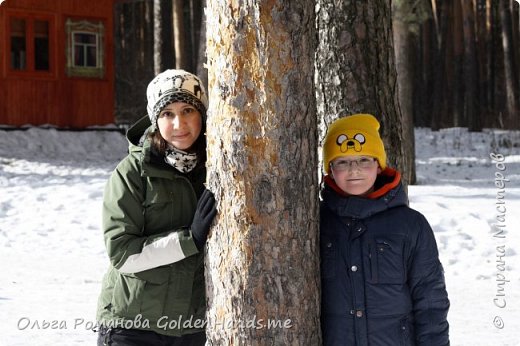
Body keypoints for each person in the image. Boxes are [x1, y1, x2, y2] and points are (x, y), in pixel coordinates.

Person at [96, 69, 217, 346]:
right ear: (155, 119)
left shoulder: (216, 168)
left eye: (188, 110)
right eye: (167, 114)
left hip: (190, 327)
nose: (179, 123)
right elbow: (122, 254)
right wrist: (190, 239)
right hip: (132, 324)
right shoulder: (133, 172)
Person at [320, 114, 450, 345]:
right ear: (330, 169)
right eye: (342, 162)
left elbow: (431, 301)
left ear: (379, 166)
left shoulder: (411, 225)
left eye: (363, 160)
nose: (354, 170)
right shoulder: (318, 222)